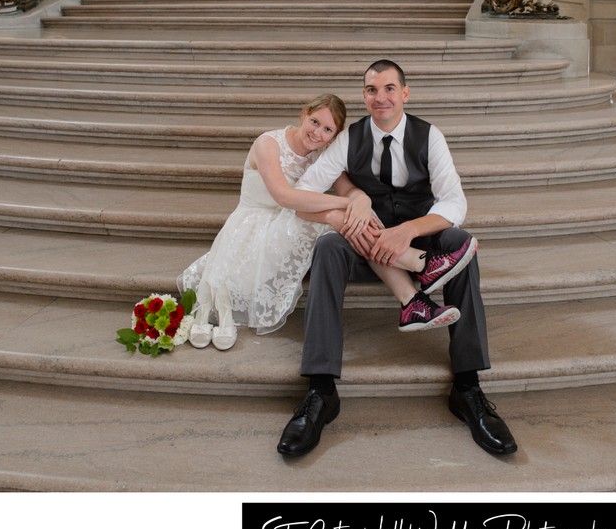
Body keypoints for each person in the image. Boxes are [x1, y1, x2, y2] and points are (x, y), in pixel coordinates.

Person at [277, 60, 517, 458]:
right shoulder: (350, 138)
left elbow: (455, 201)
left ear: (405, 93)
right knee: (327, 248)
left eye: (389, 88)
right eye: (372, 90)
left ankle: (468, 386)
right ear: (364, 97)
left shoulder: (429, 135)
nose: (380, 97)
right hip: (365, 248)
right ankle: (321, 391)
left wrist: (407, 231)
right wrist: (351, 202)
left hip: (416, 244)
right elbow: (305, 192)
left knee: (462, 241)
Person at [178, 94, 461, 350]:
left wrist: (360, 200)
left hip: (292, 218)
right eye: (315, 122)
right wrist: (345, 205)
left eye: (328, 130)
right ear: (304, 114)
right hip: (256, 223)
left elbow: (348, 189)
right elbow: (285, 197)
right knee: (339, 218)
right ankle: (418, 264)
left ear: (334, 136)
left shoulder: (321, 154)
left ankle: (412, 298)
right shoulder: (269, 144)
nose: (317, 133)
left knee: (351, 218)